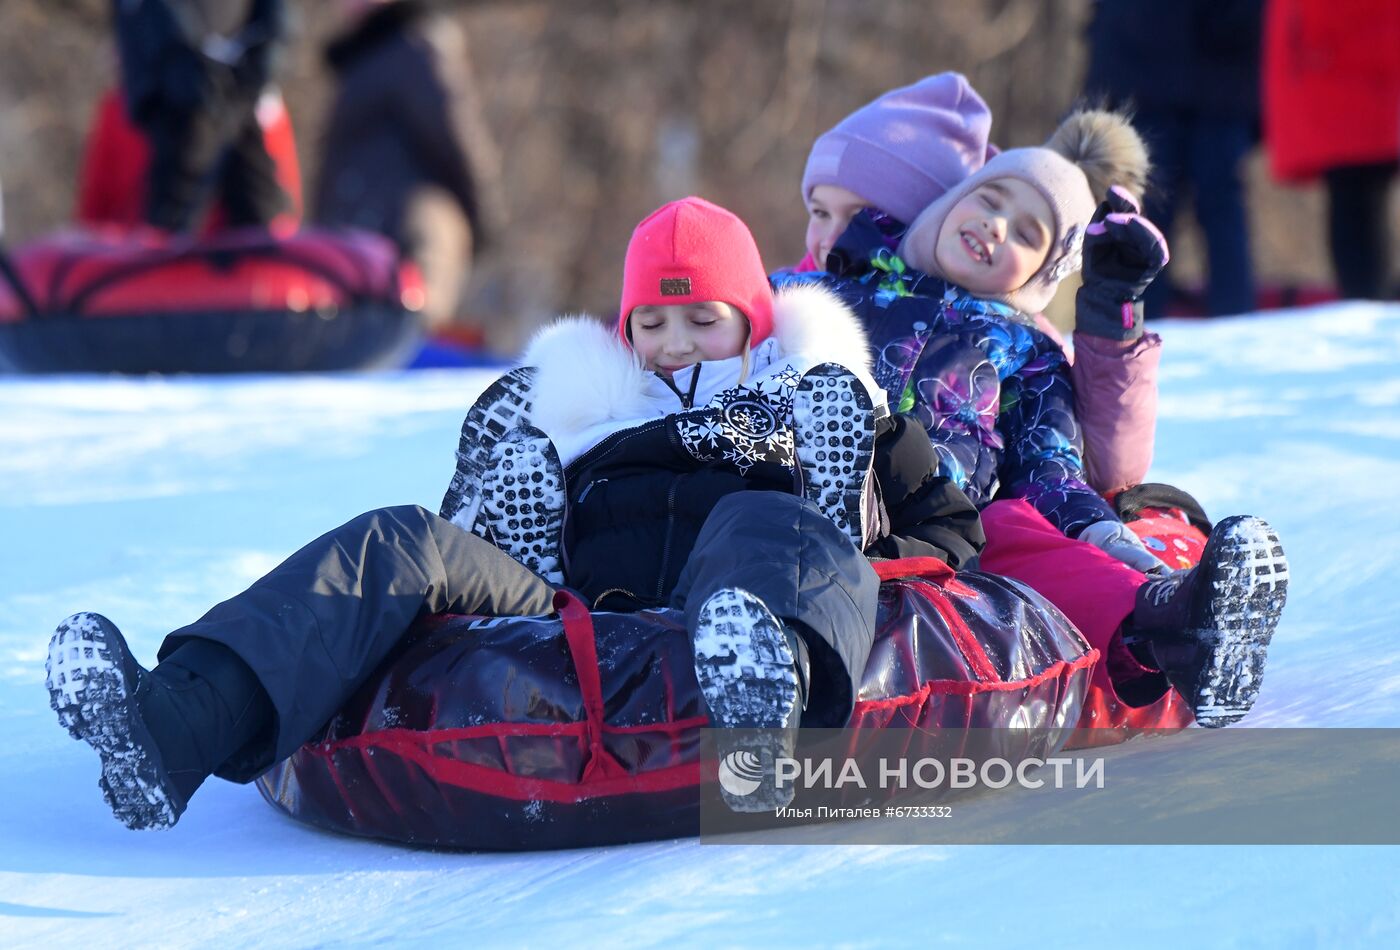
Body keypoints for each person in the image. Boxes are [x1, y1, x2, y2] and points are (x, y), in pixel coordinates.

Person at [44, 197, 981, 828]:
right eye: (650, 323)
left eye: (702, 320)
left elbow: (953, 531)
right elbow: (470, 536)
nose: (672, 343)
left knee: (760, 520)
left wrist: (877, 553)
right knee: (398, 540)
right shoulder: (584, 412)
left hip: (733, 590)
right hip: (571, 608)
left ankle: (762, 700)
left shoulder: (825, 401)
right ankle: (170, 728)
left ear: (755, 321)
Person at [776, 108, 1291, 728]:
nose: (996, 227)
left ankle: (1173, 624)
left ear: (1042, 276)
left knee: (1012, 524)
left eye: (1026, 234)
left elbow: (1050, 465)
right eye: (989, 200)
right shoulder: (825, 288)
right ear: (948, 204)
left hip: (944, 525)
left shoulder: (1026, 348)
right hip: (819, 489)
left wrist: (1111, 540)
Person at [792, 73, 1160, 497]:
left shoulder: (1012, 336)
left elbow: (1096, 470)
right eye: (819, 212)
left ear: (930, 214)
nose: (832, 237)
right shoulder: (794, 298)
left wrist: (1111, 323)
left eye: (860, 216)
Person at [313, 0, 506, 337]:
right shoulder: (367, 54)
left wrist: (484, 219)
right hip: (356, 245)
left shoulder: (414, 44)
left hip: (407, 242)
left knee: (409, 349)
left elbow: (455, 137)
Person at [1083, 0, 1263, 318]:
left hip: (1219, 87)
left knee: (1221, 208)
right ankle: (1140, 322)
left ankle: (1238, 321)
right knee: (1147, 212)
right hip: (1144, 85)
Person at [109, 0, 289, 233]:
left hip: (243, 86)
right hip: (178, 93)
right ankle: (164, 261)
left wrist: (263, 57)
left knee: (260, 210)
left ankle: (267, 262)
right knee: (173, 211)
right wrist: (177, 65)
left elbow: (274, 17)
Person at [1262, 0, 1400, 301]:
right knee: (1359, 208)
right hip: (1355, 89)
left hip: (1351, 86)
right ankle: (1369, 303)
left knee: (1355, 211)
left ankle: (1367, 304)